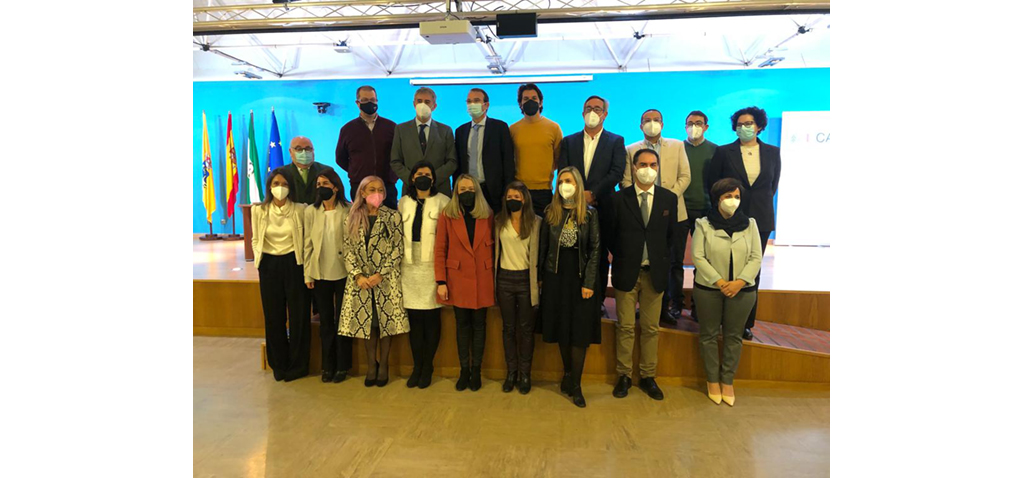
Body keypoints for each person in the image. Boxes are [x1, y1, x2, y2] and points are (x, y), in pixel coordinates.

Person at [704, 106, 780, 340]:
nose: (744, 128)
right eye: (739, 124)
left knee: (751, 270)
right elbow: (713, 185)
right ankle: (720, 320)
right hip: (729, 217)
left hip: (761, 217)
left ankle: (745, 323)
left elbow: (772, 185)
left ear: (759, 126)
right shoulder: (723, 152)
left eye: (749, 123)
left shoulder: (772, 152)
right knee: (725, 266)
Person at [609, 149, 677, 401]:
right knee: (625, 327)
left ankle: (648, 376)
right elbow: (611, 235)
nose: (648, 169)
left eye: (653, 164)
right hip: (627, 271)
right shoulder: (619, 199)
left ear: (658, 167)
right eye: (643, 164)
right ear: (634, 167)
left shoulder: (669, 198)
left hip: (654, 273)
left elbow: (670, 236)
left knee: (650, 328)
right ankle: (624, 375)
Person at [691, 178, 763, 406]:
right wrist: (721, 282)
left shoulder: (750, 225)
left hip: (743, 290)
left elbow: (756, 257)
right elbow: (698, 257)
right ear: (717, 199)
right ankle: (712, 380)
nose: (733, 201)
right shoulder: (703, 224)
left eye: (737, 197)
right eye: (728, 196)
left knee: (734, 336)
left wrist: (739, 282)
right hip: (709, 289)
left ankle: (727, 381)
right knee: (709, 335)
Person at [538, 167, 601, 408]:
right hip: (555, 277)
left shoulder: (590, 214)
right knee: (562, 328)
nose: (565, 185)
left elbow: (595, 250)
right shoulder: (550, 212)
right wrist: (541, 278)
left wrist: (589, 282)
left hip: (580, 277)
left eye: (570, 181)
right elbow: (544, 247)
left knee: (579, 333)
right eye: (562, 181)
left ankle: (577, 385)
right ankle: (567, 374)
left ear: (578, 185)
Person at [558, 95, 626, 316]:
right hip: (572, 207)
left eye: (597, 108)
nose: (592, 112)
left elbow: (616, 172)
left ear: (605, 114)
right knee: (573, 252)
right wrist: (579, 196)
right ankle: (572, 297)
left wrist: (593, 194)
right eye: (588, 108)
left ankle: (597, 300)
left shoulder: (616, 141)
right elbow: (564, 171)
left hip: (603, 206)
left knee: (599, 254)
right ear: (582, 113)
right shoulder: (569, 141)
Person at [338, 176, 409, 387]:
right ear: (362, 192)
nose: (376, 193)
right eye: (371, 189)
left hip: (385, 279)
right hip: (361, 282)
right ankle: (371, 364)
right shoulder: (351, 217)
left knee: (385, 323)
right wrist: (358, 275)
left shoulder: (393, 216)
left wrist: (381, 274)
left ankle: (384, 365)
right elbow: (347, 249)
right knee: (368, 324)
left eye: (380, 190)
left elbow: (398, 248)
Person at [622, 109, 691, 326]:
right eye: (647, 120)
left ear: (663, 123)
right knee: (643, 261)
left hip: (673, 212)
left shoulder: (677, 146)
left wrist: (667, 199)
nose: (652, 123)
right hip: (640, 214)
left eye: (656, 120)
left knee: (671, 261)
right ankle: (641, 306)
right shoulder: (630, 149)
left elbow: (685, 176)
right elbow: (625, 181)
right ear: (640, 125)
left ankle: (667, 307)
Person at [434, 174, 495, 392]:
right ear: (456, 192)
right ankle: (464, 370)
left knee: (480, 326)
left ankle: (476, 370)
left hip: (482, 279)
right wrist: (441, 280)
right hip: (457, 279)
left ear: (477, 190)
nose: (467, 193)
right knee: (462, 327)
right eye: (462, 189)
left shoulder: (488, 214)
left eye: (471, 189)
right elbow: (440, 249)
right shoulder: (447, 215)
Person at [251, 167, 309, 381]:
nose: (280, 188)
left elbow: (305, 239)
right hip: (269, 265)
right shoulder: (259, 210)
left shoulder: (300, 209)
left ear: (291, 188)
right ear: (269, 187)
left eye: (284, 184)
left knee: (298, 316)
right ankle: (278, 364)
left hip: (294, 263)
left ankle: (298, 365)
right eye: (276, 184)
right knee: (273, 316)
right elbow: (255, 239)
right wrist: (259, 260)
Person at [397, 161, 450, 389]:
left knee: (431, 319)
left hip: (432, 266)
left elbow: (447, 238)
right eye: (419, 174)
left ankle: (428, 367)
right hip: (409, 266)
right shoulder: (403, 202)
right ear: (412, 178)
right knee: (415, 321)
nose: (423, 177)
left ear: (433, 179)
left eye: (428, 174)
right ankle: (416, 366)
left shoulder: (444, 202)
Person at [302, 169, 353, 383]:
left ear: (335, 187)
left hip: (344, 273)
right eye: (318, 184)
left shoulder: (349, 209)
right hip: (320, 273)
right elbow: (307, 244)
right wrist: (308, 274)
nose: (321, 187)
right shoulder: (311, 212)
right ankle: (327, 366)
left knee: (343, 320)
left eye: (325, 183)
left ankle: (343, 366)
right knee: (325, 321)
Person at [493, 181, 541, 394]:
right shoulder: (498, 221)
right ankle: (511, 373)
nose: (513, 200)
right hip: (504, 279)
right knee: (509, 329)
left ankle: (525, 374)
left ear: (525, 199)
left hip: (526, 280)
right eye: (509, 197)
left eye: (517, 197)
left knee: (526, 330)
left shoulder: (536, 222)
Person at [336, 85, 399, 208]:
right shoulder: (347, 129)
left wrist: (393, 176)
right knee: (361, 219)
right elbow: (340, 158)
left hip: (387, 186)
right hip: (360, 187)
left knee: (390, 218)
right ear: (357, 103)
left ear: (377, 101)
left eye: (372, 100)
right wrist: (356, 171)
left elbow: (400, 155)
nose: (370, 103)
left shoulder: (391, 127)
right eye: (365, 100)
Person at [680, 110, 717, 321]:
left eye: (699, 123)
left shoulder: (716, 151)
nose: (694, 127)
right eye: (690, 123)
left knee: (702, 261)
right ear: (685, 126)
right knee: (674, 259)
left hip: (705, 211)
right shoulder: (678, 148)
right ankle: (674, 304)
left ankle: (698, 306)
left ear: (706, 127)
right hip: (680, 210)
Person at [455, 88, 515, 212]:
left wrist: (507, 190)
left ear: (486, 105)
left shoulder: (500, 127)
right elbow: (459, 164)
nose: (472, 104)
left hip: (494, 191)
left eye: (476, 101)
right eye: (469, 101)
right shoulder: (461, 131)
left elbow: (508, 161)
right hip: (468, 191)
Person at [391, 87, 457, 196]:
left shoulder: (445, 130)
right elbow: (395, 161)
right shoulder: (401, 129)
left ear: (434, 106)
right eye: (419, 101)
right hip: (411, 191)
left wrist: (432, 179)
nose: (422, 105)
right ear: (414, 104)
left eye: (427, 102)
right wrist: (413, 180)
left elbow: (452, 161)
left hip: (439, 191)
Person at [510, 83, 563, 216]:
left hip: (544, 191)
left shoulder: (554, 128)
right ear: (520, 104)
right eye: (526, 99)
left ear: (541, 102)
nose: (530, 101)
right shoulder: (513, 130)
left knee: (543, 228)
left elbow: (559, 159)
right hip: (519, 190)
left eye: (534, 98)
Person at [281, 136, 336, 204]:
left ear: (313, 150)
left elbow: (337, 198)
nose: (304, 153)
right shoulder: (281, 173)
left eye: (308, 148)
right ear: (290, 152)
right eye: (298, 149)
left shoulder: (326, 171)